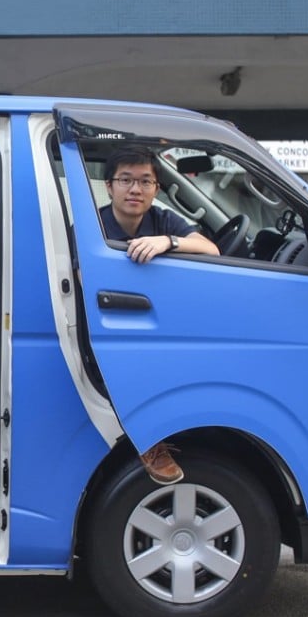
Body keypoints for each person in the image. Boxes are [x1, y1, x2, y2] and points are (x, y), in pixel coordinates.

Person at [99, 144, 220, 485]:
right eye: (126, 180)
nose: (135, 189)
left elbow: (211, 249)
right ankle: (150, 441)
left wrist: (168, 242)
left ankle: (180, 433)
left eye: (145, 181)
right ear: (109, 186)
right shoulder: (94, 222)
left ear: (157, 188)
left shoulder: (162, 219)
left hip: (154, 318)